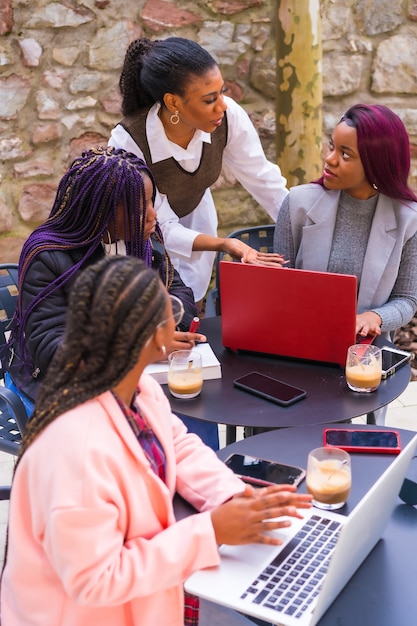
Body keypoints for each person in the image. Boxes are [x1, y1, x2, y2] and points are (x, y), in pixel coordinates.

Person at [0, 255, 312, 626]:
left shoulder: (136, 387)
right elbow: (96, 580)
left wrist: (232, 498)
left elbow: (177, 444)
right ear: (155, 336)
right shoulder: (75, 451)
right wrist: (211, 531)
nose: (178, 314)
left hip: (145, 600)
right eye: (170, 309)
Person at [3, 146, 204, 419]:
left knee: (191, 407)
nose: (152, 216)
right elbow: (51, 350)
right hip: (57, 384)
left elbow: (179, 292)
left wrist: (167, 331)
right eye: (138, 206)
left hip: (128, 373)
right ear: (101, 211)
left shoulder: (143, 240)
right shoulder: (49, 258)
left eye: (151, 202)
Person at [109, 36, 288, 305]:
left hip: (196, 218)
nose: (222, 105)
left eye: (222, 91)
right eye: (209, 99)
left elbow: (264, 180)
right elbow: (160, 225)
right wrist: (224, 244)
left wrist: (299, 232)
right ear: (173, 103)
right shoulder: (129, 141)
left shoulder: (228, 117)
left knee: (189, 303)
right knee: (147, 310)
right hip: (140, 238)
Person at [274, 103, 417, 341]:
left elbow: (407, 299)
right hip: (299, 337)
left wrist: (374, 317)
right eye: (332, 147)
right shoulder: (297, 203)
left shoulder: (408, 220)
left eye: (345, 154)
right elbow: (278, 284)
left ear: (376, 164)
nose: (330, 159)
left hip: (366, 350)